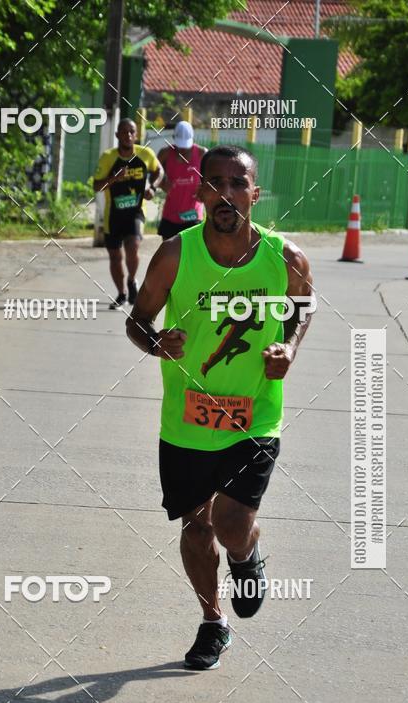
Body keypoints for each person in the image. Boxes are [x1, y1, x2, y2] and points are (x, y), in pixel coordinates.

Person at [126, 145, 315, 670]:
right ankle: (213, 621)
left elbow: (303, 307)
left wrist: (290, 347)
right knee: (194, 524)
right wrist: (157, 342)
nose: (226, 193)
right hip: (186, 420)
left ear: (255, 194)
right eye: (216, 183)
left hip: (255, 414)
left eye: (238, 183)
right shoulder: (175, 254)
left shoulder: (286, 256)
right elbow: (138, 321)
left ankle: (245, 552)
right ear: (202, 191)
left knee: (231, 524)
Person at [93, 119, 163, 309]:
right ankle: (122, 293)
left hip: (136, 211)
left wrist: (153, 188)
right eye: (124, 132)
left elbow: (159, 171)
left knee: (133, 245)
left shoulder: (145, 154)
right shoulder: (108, 157)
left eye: (132, 132)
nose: (128, 136)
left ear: (136, 134)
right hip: (113, 215)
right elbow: (97, 186)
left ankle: (132, 280)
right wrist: (113, 179)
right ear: (117, 135)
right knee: (115, 257)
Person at [157, 121, 206, 241]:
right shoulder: (165, 154)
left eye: (186, 146)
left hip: (193, 216)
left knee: (191, 255)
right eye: (180, 146)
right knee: (170, 257)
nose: (183, 149)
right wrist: (162, 182)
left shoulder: (202, 154)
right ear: (173, 138)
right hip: (170, 216)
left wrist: (204, 191)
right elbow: (153, 174)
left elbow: (213, 180)